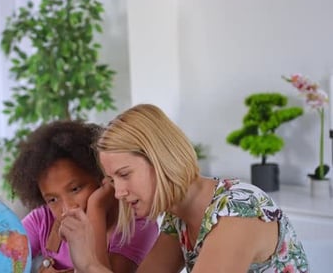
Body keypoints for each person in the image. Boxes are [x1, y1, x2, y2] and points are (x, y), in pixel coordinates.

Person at [59, 104, 309, 273]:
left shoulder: (238, 210)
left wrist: (90, 264)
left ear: (160, 158)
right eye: (113, 180)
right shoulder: (177, 221)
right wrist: (89, 259)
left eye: (124, 174)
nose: (118, 192)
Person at [7, 120, 158, 273]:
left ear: (102, 176)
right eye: (52, 200)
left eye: (75, 189)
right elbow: (1, 256)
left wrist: (96, 207)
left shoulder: (136, 227)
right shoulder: (44, 221)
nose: (68, 208)